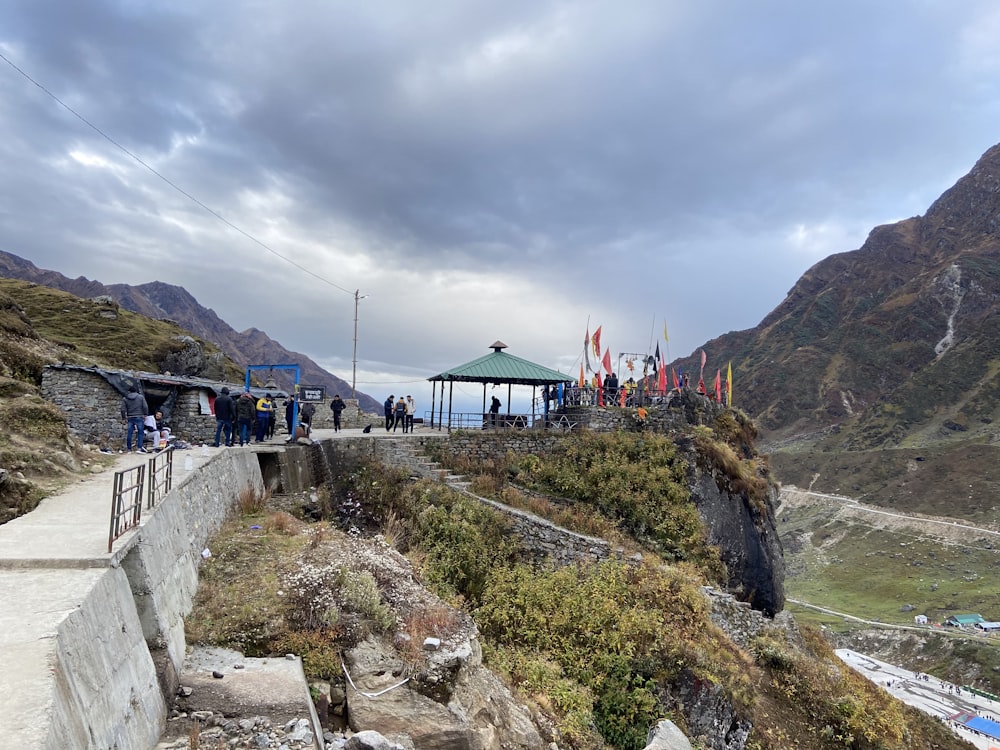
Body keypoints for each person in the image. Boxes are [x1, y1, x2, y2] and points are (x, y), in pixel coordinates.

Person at [120, 385, 148, 453]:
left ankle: (129, 449)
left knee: (129, 433)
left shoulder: (125, 398)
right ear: (136, 391)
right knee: (140, 433)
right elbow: (145, 406)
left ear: (129, 391)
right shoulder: (140, 397)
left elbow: (123, 409)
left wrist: (124, 418)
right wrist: (145, 414)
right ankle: (139, 448)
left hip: (130, 417)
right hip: (139, 416)